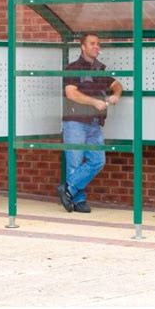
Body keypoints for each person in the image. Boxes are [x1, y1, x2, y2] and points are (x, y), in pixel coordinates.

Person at [57, 32, 122, 214]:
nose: (96, 47)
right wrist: (94, 102)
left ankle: (68, 189)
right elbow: (71, 93)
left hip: (95, 124)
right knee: (74, 163)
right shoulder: (72, 68)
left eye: (98, 44)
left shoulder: (100, 69)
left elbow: (116, 83)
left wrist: (116, 94)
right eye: (92, 43)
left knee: (98, 160)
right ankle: (78, 201)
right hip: (75, 123)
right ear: (82, 47)